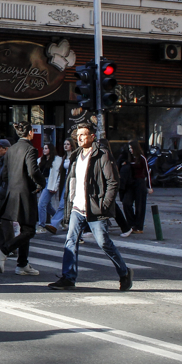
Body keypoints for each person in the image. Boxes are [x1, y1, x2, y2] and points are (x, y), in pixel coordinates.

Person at [49, 123, 133, 291]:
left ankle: (124, 272)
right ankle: (68, 277)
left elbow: (113, 182)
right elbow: (73, 181)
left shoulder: (102, 155)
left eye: (83, 135)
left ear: (92, 136)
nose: (79, 138)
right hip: (77, 207)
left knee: (103, 243)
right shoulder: (76, 154)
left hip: (95, 208)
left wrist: (104, 205)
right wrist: (69, 202)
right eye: (78, 135)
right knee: (70, 241)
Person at [0, 123, 43, 276]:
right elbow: (33, 170)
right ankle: (4, 251)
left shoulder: (11, 149)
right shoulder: (30, 149)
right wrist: (41, 183)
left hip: (11, 192)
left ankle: (22, 263)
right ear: (30, 132)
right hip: (26, 192)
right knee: (29, 230)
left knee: (24, 228)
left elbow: (5, 174)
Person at [121, 140, 152, 234]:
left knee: (140, 206)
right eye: (129, 148)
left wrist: (149, 186)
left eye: (131, 148)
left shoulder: (142, 158)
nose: (130, 150)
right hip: (130, 183)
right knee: (126, 202)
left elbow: (147, 172)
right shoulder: (129, 158)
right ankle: (131, 223)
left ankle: (138, 226)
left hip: (140, 183)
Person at [36, 142, 63, 234]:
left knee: (41, 204)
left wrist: (56, 186)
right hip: (42, 183)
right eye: (44, 148)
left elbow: (59, 175)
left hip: (50, 183)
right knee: (47, 206)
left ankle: (42, 225)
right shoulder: (41, 160)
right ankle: (60, 220)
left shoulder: (57, 159)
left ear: (51, 149)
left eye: (46, 148)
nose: (44, 150)